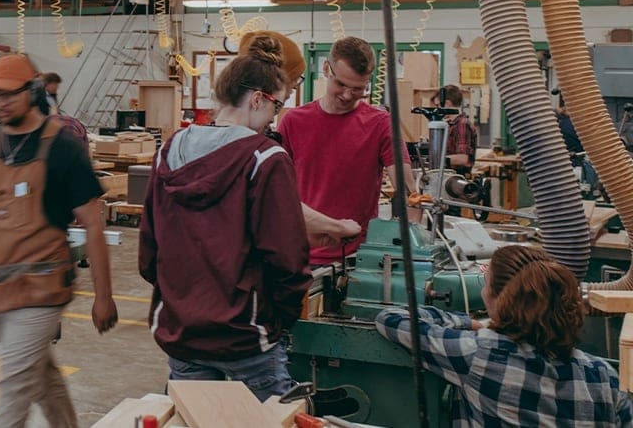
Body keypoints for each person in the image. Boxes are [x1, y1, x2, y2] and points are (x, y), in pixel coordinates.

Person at [0, 54, 117, 428]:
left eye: (8, 94)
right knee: (42, 380)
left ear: (31, 91)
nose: (0, 103)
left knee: (15, 385)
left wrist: (104, 297)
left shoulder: (64, 148)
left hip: (42, 288)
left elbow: (93, 224)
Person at [138, 35, 311, 402]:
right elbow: (286, 258)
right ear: (258, 99)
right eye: (276, 107)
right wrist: (280, 319)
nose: (273, 119)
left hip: (183, 333)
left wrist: (179, 301)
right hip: (245, 337)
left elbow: (149, 249)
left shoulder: (168, 151)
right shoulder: (265, 159)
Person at [376, 245, 633, 426]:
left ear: (500, 299)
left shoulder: (478, 355)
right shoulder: (603, 376)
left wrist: (472, 324)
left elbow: (392, 319)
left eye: (486, 283)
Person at [276, 36, 411, 267]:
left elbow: (408, 192)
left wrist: (410, 243)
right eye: (341, 84)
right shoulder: (293, 122)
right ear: (327, 69)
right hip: (300, 256)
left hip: (359, 259)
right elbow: (276, 193)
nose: (348, 95)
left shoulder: (380, 124)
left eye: (358, 89)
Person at [239, 31, 363, 249]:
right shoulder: (252, 151)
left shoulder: (186, 143)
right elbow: (279, 205)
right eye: (293, 83)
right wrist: (338, 228)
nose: (292, 91)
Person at [431, 85, 478, 175]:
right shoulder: (449, 124)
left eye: (438, 106)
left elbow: (463, 159)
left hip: (457, 177)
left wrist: (435, 160)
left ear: (447, 104)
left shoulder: (462, 124)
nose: (436, 110)